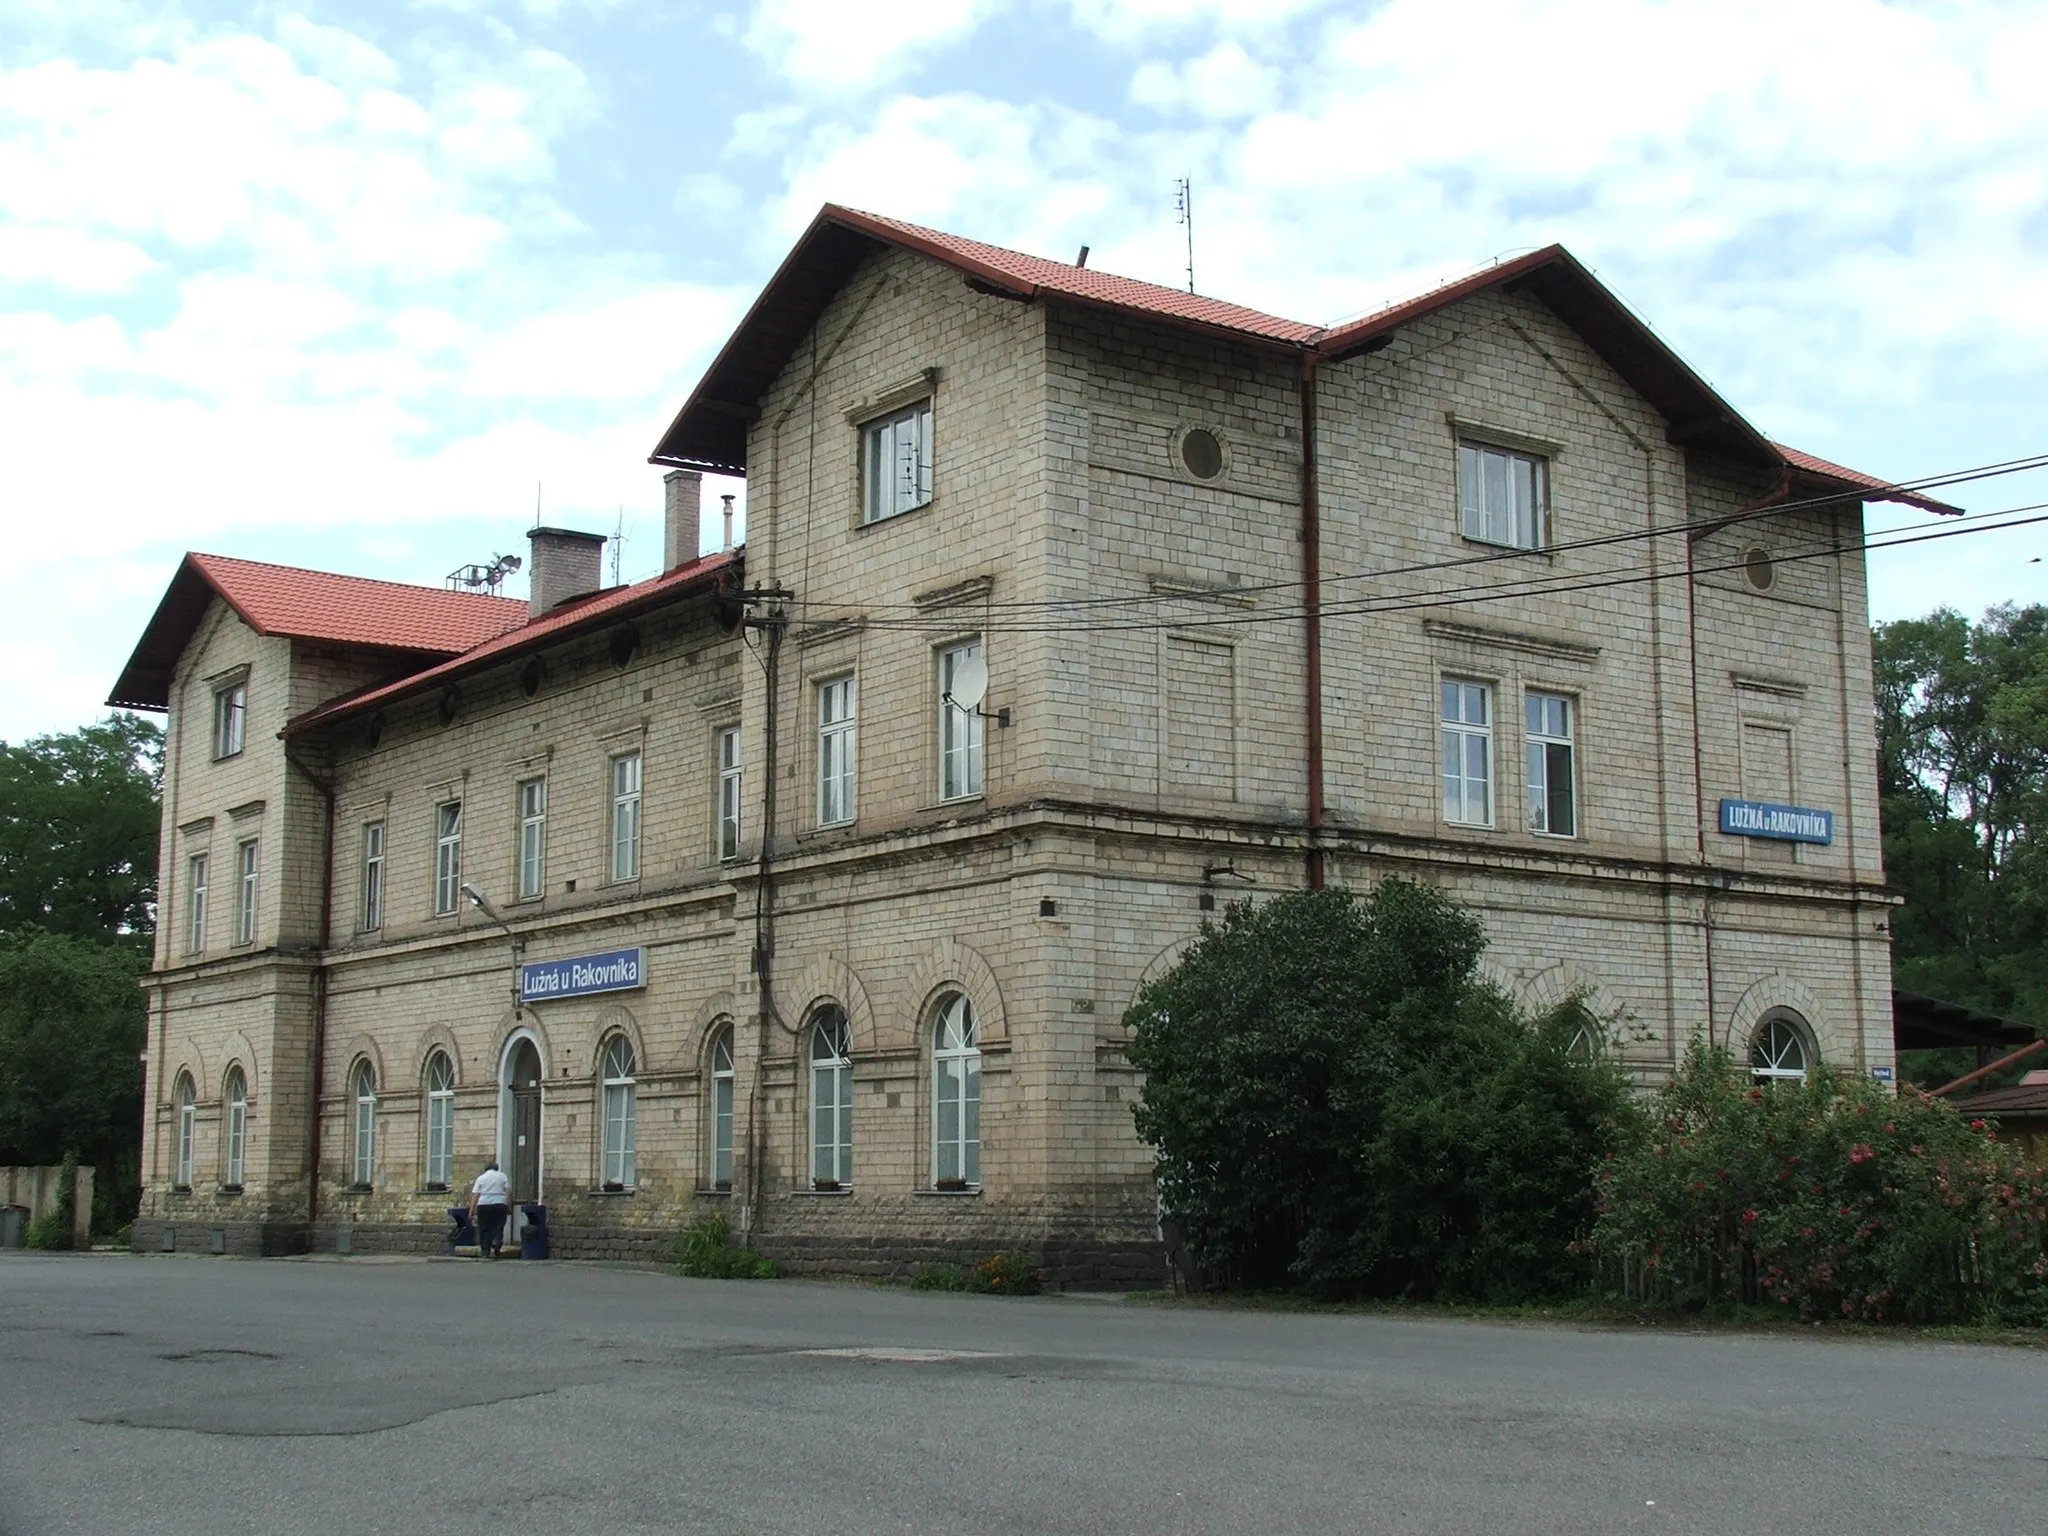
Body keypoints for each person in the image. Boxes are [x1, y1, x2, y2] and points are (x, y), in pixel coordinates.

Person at [469, 1160, 513, 1260]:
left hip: (484, 1204)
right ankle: (497, 1241)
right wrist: (509, 1206)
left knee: (484, 1228)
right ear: (496, 1168)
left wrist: (471, 1211)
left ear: (485, 1169)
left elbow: (475, 1195)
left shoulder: (481, 1178)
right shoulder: (502, 1176)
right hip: (500, 1203)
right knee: (499, 1225)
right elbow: (508, 1192)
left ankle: (485, 1252)